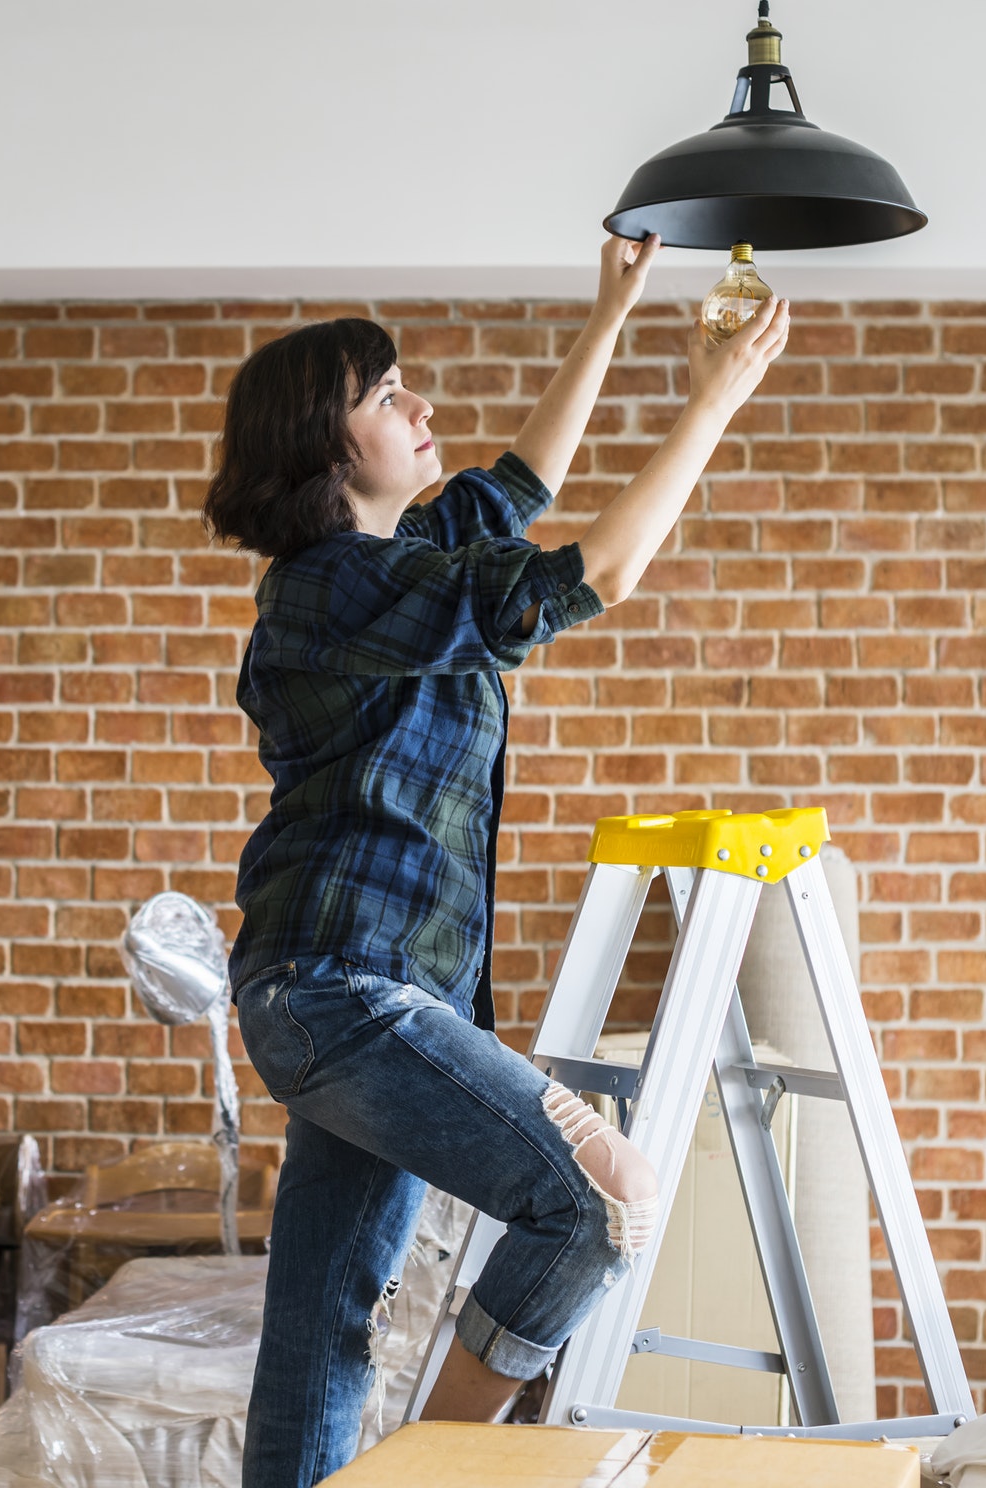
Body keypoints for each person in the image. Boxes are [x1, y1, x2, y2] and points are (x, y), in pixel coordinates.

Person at [203, 234, 792, 1488]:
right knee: (596, 1198)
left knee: (321, 1334)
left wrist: (612, 309)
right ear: (323, 447)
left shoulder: (404, 563)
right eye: (385, 393)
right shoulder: (326, 591)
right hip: (340, 994)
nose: (421, 405)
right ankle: (445, 1467)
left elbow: (523, 480)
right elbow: (602, 570)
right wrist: (713, 399)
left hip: (358, 997)